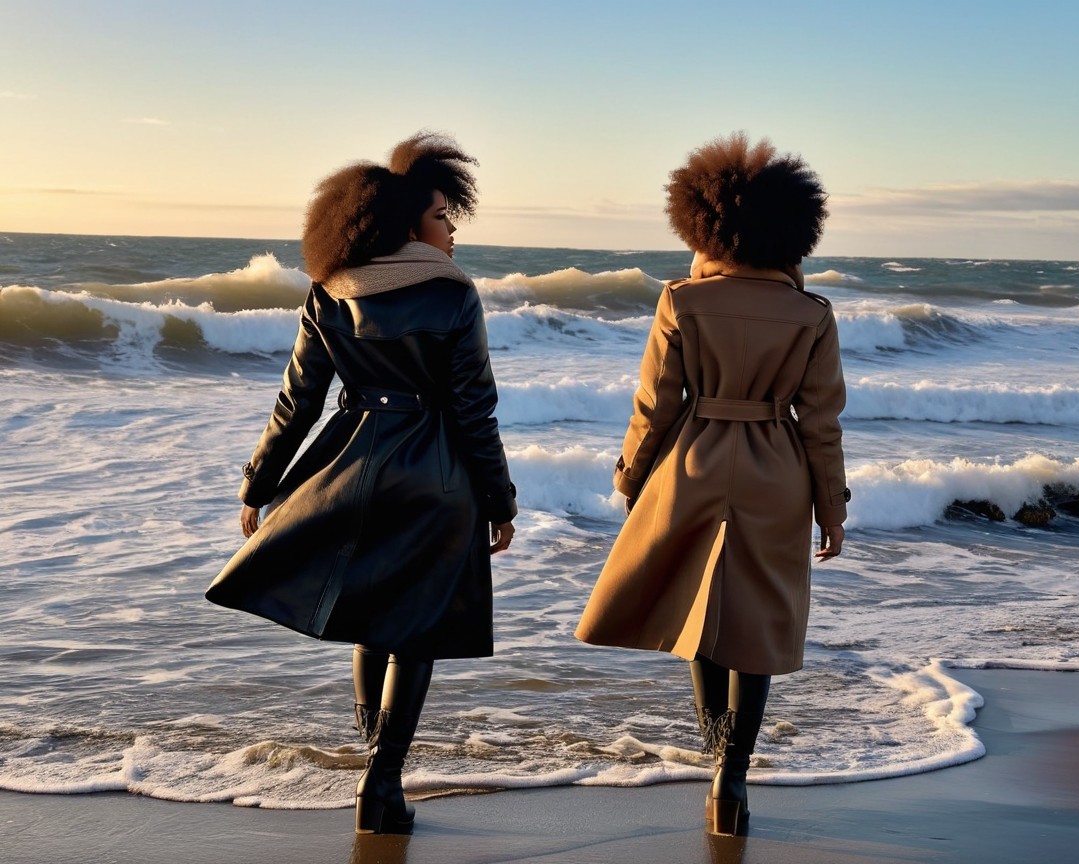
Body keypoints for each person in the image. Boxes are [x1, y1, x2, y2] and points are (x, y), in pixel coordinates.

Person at [206, 132, 517, 835]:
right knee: (416, 630)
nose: (452, 230)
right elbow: (474, 409)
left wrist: (259, 483)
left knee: (372, 622)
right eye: (441, 216)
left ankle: (373, 769)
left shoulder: (331, 289)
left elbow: (299, 400)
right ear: (408, 225)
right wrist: (500, 499)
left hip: (350, 468)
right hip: (437, 477)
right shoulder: (454, 294)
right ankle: (382, 780)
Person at [575, 132, 849, 836]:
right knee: (754, 629)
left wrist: (632, 478)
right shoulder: (813, 315)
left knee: (700, 614)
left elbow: (654, 405)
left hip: (693, 462)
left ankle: (714, 753)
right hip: (777, 472)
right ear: (792, 229)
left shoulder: (682, 301)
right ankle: (733, 779)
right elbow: (822, 423)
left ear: (707, 224)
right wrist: (831, 508)